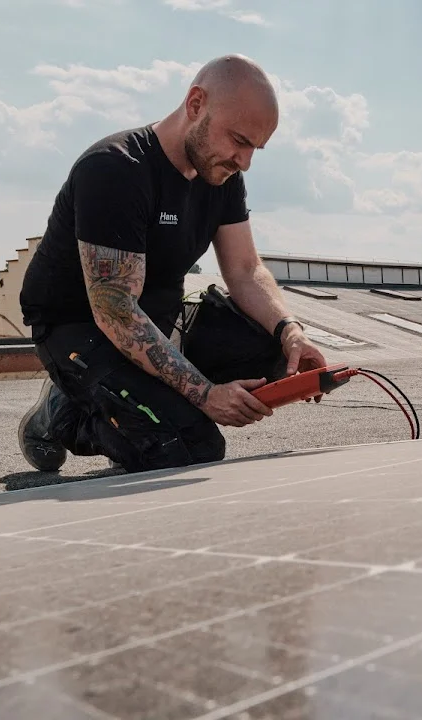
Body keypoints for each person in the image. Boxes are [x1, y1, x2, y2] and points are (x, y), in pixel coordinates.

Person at [16, 54, 327, 474]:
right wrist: (204, 395)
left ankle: (127, 399)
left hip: (154, 327)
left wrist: (291, 332)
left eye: (255, 148)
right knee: (187, 450)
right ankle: (64, 415)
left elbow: (245, 270)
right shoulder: (115, 169)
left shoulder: (222, 176)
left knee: (274, 353)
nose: (245, 161)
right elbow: (116, 311)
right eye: (239, 140)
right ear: (196, 104)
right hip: (80, 332)